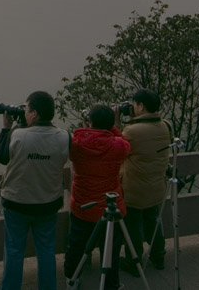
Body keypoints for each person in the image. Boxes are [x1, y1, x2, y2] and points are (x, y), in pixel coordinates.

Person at [0, 90, 70, 290]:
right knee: (46, 251)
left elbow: (2, 157)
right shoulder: (64, 137)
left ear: (34, 113)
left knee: (13, 251)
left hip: (16, 203)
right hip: (48, 203)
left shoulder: (17, 135)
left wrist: (6, 127)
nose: (25, 113)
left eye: (27, 110)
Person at [63, 104, 131, 290]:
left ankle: (71, 279)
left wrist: (88, 126)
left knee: (76, 245)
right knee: (110, 249)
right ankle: (111, 284)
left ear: (89, 122)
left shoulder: (76, 143)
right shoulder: (118, 146)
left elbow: (77, 139)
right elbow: (124, 143)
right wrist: (113, 124)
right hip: (111, 206)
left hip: (83, 204)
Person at [118, 88, 171, 276]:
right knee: (152, 221)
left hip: (134, 190)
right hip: (156, 187)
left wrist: (117, 119)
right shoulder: (165, 125)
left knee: (132, 225)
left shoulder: (132, 130)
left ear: (141, 106)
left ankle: (134, 262)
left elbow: (118, 147)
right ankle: (158, 256)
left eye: (134, 104)